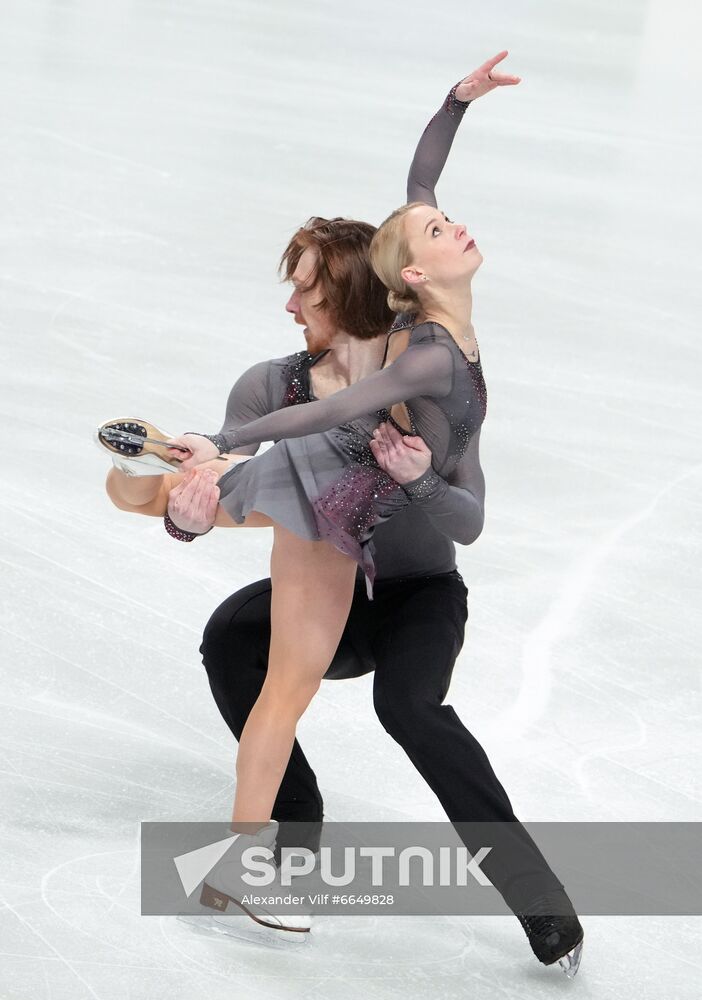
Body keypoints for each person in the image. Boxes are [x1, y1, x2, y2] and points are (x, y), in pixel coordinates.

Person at [101, 53, 583, 976]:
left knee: (412, 706)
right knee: (229, 642)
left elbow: (459, 519)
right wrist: (185, 510)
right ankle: (291, 821)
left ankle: (539, 898)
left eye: (310, 291)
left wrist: (415, 484)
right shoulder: (272, 382)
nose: (291, 307)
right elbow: (244, 479)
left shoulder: (412, 371)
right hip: (329, 579)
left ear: (358, 295)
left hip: (415, 593)